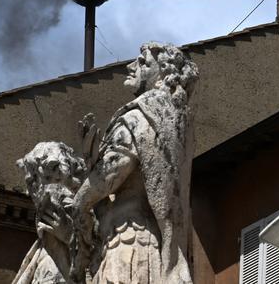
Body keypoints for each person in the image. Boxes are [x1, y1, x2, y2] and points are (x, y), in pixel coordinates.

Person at [69, 42, 198, 284]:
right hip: (150, 244)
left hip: (128, 243)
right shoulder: (178, 123)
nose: (132, 66)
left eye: (142, 63)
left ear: (162, 75)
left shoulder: (139, 118)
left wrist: (80, 201)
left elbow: (105, 180)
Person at [12, 142, 86, 284]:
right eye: (41, 182)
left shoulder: (94, 213)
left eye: (52, 179)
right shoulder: (41, 249)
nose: (47, 189)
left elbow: (99, 261)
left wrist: (70, 236)